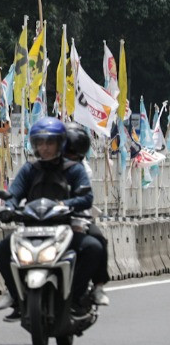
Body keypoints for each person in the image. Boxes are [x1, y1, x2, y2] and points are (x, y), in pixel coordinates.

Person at [0, 117, 105, 322]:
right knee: (0, 249)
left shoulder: (74, 169)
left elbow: (87, 197)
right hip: (32, 229)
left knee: (93, 247)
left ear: (60, 143)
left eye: (50, 143)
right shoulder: (30, 169)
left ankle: (78, 296)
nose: (45, 148)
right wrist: (9, 208)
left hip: (65, 228)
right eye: (40, 143)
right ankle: (15, 296)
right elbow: (14, 193)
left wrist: (68, 205)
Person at [63, 121, 111, 306]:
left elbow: (83, 196)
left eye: (75, 148)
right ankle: (14, 289)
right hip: (48, 218)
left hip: (77, 217)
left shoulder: (83, 170)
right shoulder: (45, 164)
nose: (70, 152)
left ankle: (97, 286)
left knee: (98, 240)